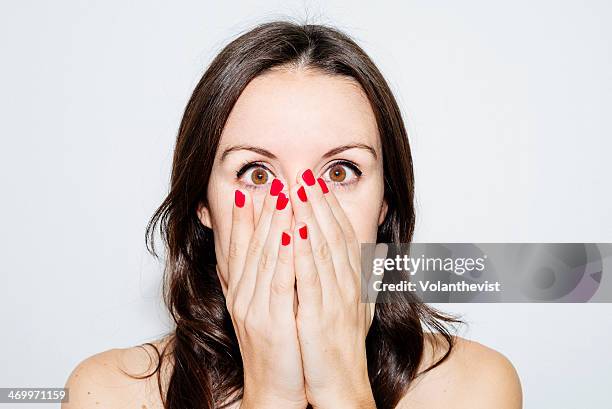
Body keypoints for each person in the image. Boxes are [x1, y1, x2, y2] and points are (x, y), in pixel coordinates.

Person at [63, 20, 522, 409]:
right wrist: (272, 393)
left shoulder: (472, 386)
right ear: (204, 205)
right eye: (258, 174)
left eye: (340, 171)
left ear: (385, 202)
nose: (301, 211)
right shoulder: (110, 391)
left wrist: (342, 388)